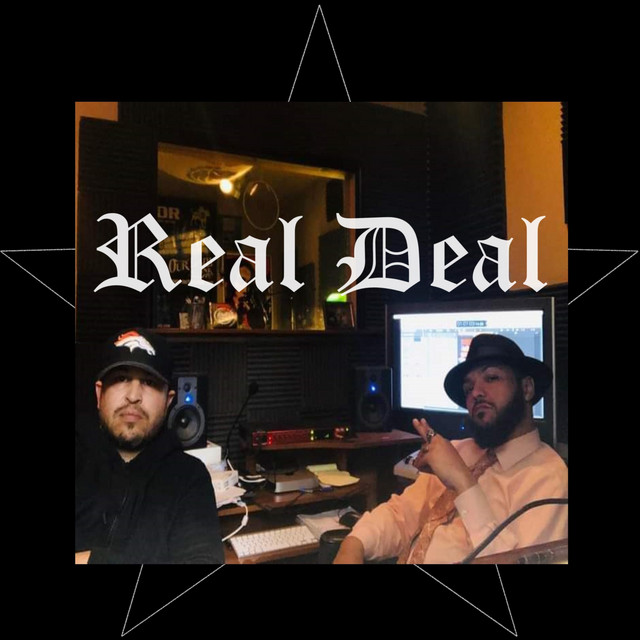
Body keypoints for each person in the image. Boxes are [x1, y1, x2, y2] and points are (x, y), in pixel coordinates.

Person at [333, 333, 568, 564]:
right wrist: (354, 544)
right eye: (468, 388)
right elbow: (401, 515)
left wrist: (463, 482)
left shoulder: (550, 478)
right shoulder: (456, 450)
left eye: (491, 378)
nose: (476, 393)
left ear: (526, 388)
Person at [75, 328, 224, 564]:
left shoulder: (189, 477)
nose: (133, 396)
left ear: (168, 401)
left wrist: (93, 561)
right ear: (99, 394)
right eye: (121, 378)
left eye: (149, 382)